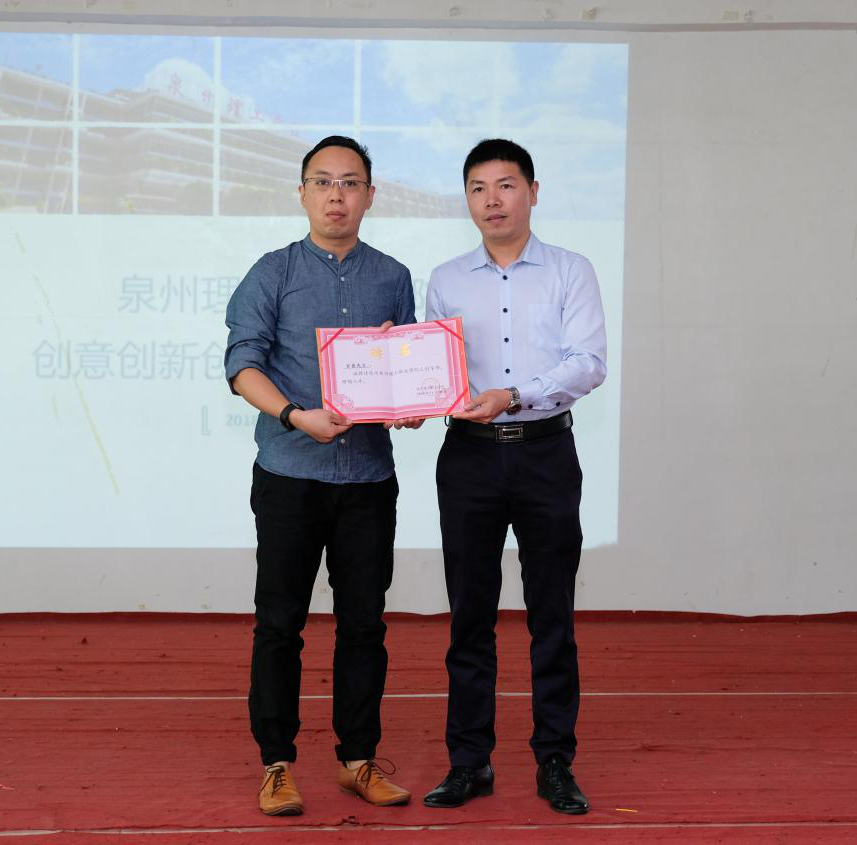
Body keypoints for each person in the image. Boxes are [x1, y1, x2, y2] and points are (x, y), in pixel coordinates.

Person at [224, 135, 419, 816]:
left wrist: (410, 404)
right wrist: (293, 415)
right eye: (323, 182)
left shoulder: (393, 276)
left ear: (370, 195)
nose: (337, 195)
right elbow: (242, 365)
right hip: (290, 474)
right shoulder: (272, 271)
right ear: (303, 192)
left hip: (367, 479)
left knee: (364, 625)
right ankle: (276, 764)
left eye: (350, 182)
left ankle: (357, 760)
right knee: (279, 624)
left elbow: (405, 367)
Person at [422, 139, 607, 814]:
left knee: (551, 613)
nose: (492, 200)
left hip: (544, 454)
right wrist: (402, 388)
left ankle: (555, 760)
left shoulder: (570, 271)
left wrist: (514, 394)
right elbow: (433, 369)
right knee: (469, 616)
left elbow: (588, 362)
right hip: (468, 457)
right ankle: (469, 761)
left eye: (505, 185)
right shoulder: (446, 278)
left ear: (533, 190)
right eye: (478, 188)